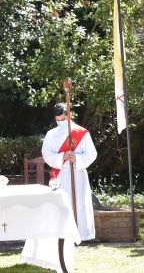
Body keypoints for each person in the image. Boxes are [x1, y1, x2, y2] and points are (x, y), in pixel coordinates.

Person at [41, 103, 97, 240]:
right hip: (60, 175)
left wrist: (76, 158)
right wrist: (62, 157)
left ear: (68, 115)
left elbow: (91, 154)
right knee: (61, 204)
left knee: (79, 204)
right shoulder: (51, 134)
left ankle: (81, 234)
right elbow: (46, 154)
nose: (60, 123)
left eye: (62, 120)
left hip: (77, 174)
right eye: (57, 120)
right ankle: (61, 235)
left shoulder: (81, 133)